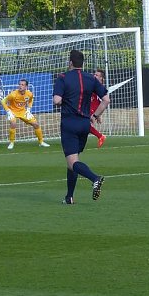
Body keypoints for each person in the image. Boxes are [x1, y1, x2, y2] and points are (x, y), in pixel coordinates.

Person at [53, 49, 110, 204]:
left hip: (69, 124)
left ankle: (95, 178)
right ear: (82, 63)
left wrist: (64, 98)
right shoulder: (91, 79)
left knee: (72, 162)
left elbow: (57, 100)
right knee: (73, 161)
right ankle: (69, 197)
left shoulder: (63, 78)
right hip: (85, 125)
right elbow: (106, 100)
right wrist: (95, 116)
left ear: (70, 62)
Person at [2, 78, 50, 150]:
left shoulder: (29, 94)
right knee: (13, 123)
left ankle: (41, 142)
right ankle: (11, 142)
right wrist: (8, 111)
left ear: (26, 87)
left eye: (22, 85)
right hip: (13, 111)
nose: (20, 86)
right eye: (19, 84)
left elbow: (30, 100)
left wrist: (28, 109)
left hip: (23, 112)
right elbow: (3, 101)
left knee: (36, 124)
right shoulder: (13, 94)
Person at [88, 68, 107, 148]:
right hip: (89, 108)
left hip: (92, 109)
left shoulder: (101, 89)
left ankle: (100, 136)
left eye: (96, 75)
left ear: (101, 78)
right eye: (94, 74)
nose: (94, 76)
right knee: (84, 126)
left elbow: (104, 102)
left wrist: (97, 114)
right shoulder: (93, 85)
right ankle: (100, 136)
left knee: (85, 125)